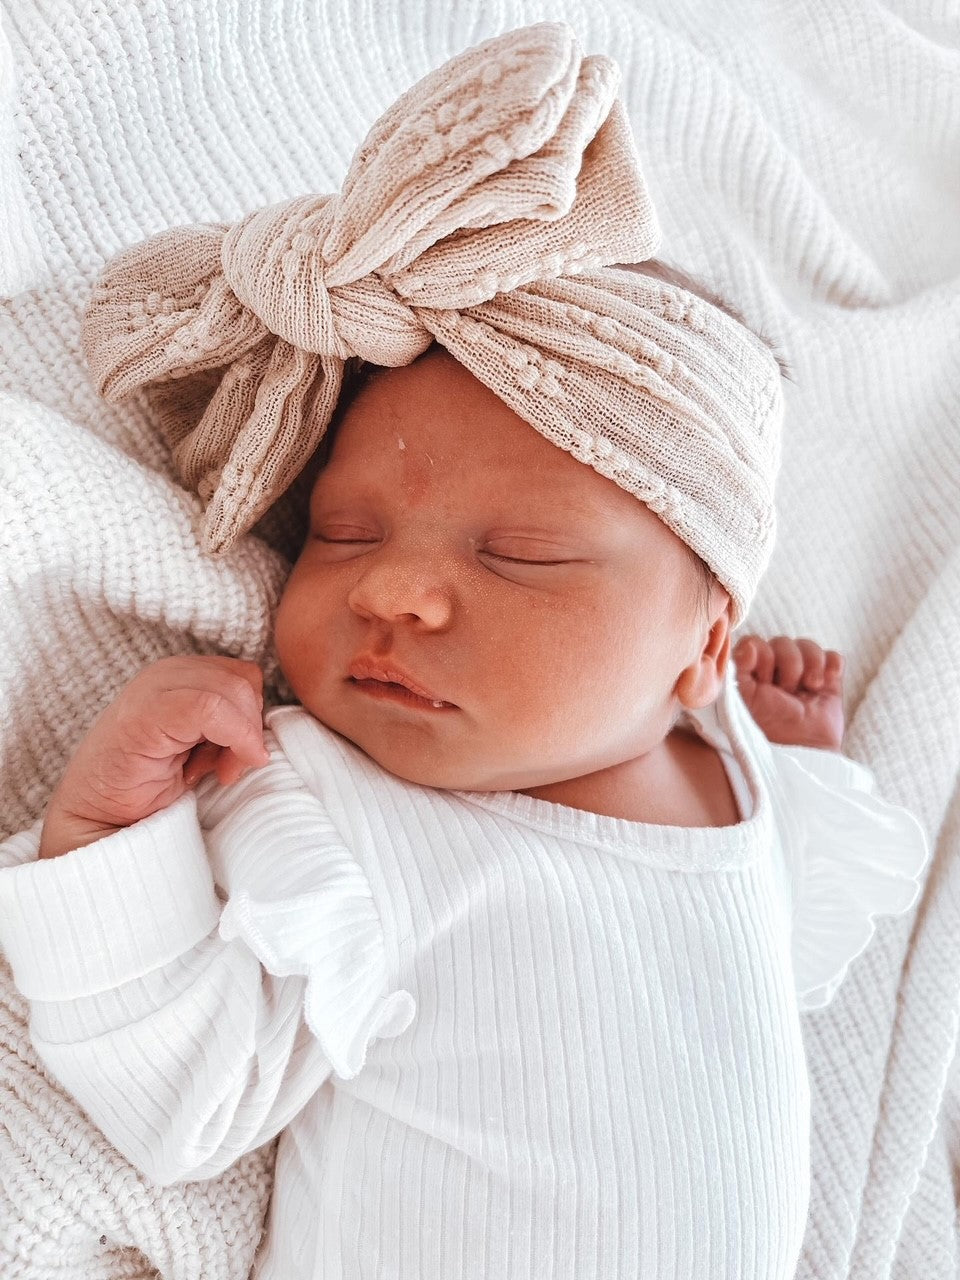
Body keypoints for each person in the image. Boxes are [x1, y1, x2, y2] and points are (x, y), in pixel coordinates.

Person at [0, 21, 929, 1280]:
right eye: (340, 533)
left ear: (702, 646)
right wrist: (110, 838)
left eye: (522, 555)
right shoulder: (345, 809)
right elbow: (186, 1101)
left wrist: (802, 767)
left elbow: (780, 969)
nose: (390, 589)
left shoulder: (733, 774)